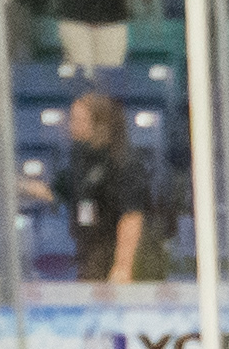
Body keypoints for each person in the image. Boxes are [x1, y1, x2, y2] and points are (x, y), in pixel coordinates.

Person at [21, 91, 159, 279]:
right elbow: (54, 191)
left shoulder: (124, 162)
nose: (72, 126)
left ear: (101, 125)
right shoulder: (82, 159)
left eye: (79, 120)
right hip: (91, 253)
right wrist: (15, 184)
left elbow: (131, 215)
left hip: (123, 256)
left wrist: (122, 266)